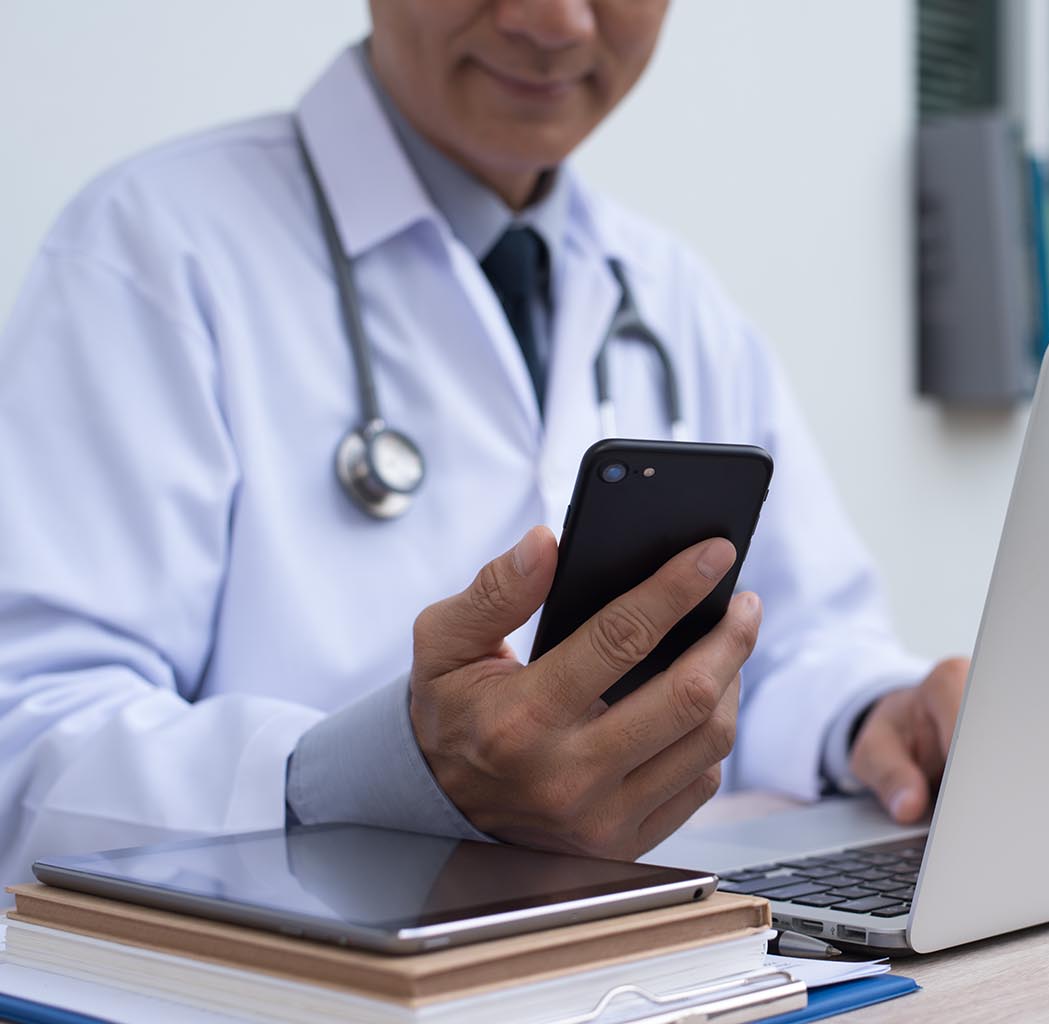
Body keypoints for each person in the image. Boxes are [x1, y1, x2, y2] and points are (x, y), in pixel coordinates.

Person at [0, 0, 968, 885]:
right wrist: (368, 780)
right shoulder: (153, 250)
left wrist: (875, 717)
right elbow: (27, 740)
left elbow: (797, 642)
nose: (555, 24)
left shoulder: (674, 298)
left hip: (622, 965)